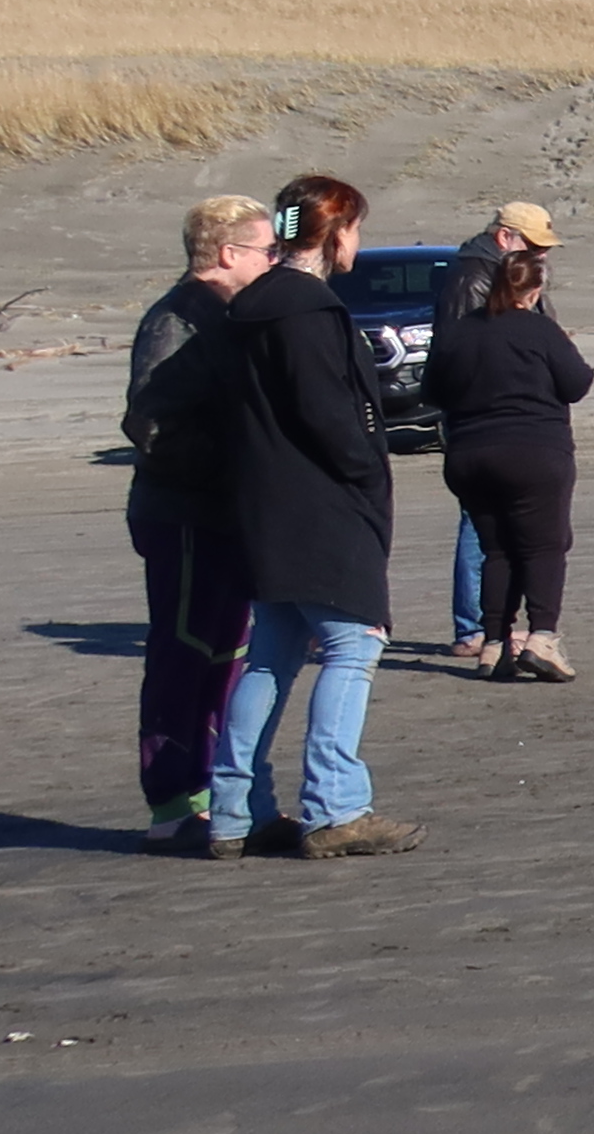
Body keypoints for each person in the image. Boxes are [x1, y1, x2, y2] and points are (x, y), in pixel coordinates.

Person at [179, 173, 422, 857]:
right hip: (320, 507)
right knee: (354, 644)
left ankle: (236, 811)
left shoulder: (251, 306)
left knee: (273, 656)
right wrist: (365, 473)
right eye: (355, 229)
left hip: (264, 507)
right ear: (335, 232)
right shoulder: (305, 308)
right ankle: (335, 807)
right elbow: (329, 416)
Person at [117, 196, 275, 849]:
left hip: (223, 514)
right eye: (267, 250)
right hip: (182, 514)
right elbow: (149, 422)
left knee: (226, 656)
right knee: (183, 653)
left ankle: (213, 794)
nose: (274, 261)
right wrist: (235, 460)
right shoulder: (177, 317)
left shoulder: (226, 312)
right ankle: (172, 804)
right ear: (228, 254)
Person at [431, 244, 594, 678]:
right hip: (533, 450)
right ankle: (542, 637)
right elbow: (577, 383)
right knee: (544, 546)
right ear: (535, 290)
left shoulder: (461, 331)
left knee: (497, 550)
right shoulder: (540, 330)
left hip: (469, 454)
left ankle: (494, 643)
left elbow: (432, 390)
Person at [431, 203, 554, 651]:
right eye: (534, 245)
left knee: (497, 525)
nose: (541, 254)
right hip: (483, 419)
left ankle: (488, 626)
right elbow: (462, 353)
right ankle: (474, 628)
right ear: (505, 237)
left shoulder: (503, 273)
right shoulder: (475, 278)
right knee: (480, 523)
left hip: (505, 418)